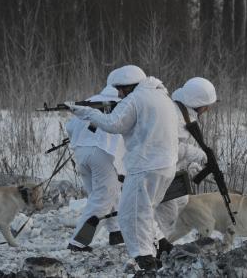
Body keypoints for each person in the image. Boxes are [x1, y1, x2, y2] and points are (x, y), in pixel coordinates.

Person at [66, 65, 179, 275]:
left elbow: (115, 124)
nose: (119, 94)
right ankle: (157, 246)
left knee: (129, 213)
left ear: (130, 86)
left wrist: (88, 112)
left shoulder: (135, 99)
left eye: (121, 89)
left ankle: (145, 260)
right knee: (140, 209)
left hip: (143, 165)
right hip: (165, 165)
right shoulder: (162, 97)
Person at [155, 77, 217, 256]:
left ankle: (158, 244)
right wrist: (198, 154)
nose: (208, 109)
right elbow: (171, 148)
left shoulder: (182, 112)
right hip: (159, 169)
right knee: (167, 213)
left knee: (181, 200)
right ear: (198, 103)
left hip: (169, 168)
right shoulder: (176, 116)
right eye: (207, 104)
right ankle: (154, 253)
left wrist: (189, 165)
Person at [65, 74, 125, 252]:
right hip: (104, 153)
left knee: (104, 196)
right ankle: (78, 241)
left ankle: (116, 232)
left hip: (81, 153)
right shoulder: (125, 104)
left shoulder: (90, 101)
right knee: (104, 197)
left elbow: (69, 127)